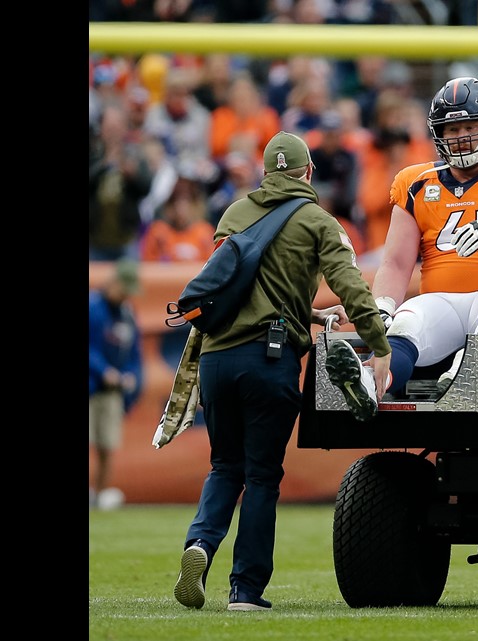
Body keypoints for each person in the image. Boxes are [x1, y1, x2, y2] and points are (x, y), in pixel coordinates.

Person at [173, 131, 393, 612]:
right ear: (308, 174)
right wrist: (379, 345)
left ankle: (201, 545)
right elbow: (352, 288)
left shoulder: (234, 214)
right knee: (263, 477)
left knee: (224, 467)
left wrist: (306, 313)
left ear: (266, 175)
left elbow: (239, 285)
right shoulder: (317, 221)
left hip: (215, 359)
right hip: (267, 360)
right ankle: (245, 591)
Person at [348, 76, 478, 408]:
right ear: (438, 134)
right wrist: (383, 310)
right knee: (406, 322)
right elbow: (396, 263)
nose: (461, 137)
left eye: (469, 127)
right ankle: (370, 383)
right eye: (452, 130)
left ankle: (470, 365)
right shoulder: (416, 182)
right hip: (443, 303)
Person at [89, 258, 144, 510]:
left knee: (107, 444)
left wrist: (131, 375)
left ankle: (100, 495)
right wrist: (104, 371)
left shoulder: (127, 314)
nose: (125, 296)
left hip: (112, 392)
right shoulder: (93, 307)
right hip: (92, 387)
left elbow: (134, 354)